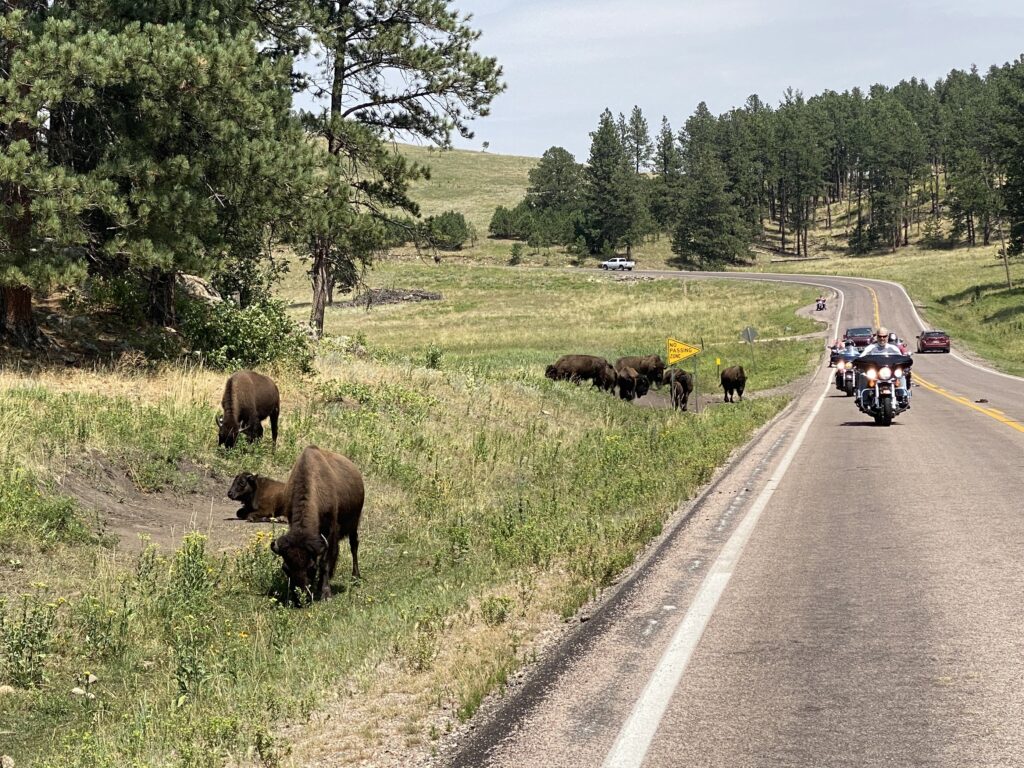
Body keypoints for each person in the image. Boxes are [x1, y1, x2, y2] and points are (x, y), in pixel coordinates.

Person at [856, 327, 909, 408]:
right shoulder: (871, 348)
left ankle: (904, 396)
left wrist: (905, 362)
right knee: (863, 375)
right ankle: (862, 398)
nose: (882, 338)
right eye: (880, 336)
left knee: (902, 375)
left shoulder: (893, 348)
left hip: (890, 374)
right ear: (876, 337)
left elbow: (900, 359)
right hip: (876, 374)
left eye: (884, 336)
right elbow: (861, 357)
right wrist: (859, 361)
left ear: (887, 336)